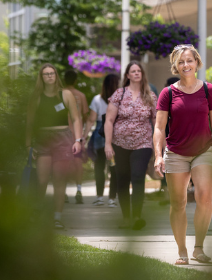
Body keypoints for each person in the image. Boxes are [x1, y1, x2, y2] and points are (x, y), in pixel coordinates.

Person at [153, 45, 212, 266]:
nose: (185, 65)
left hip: (204, 150)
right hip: (176, 152)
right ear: (176, 65)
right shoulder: (168, 93)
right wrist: (158, 155)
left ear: (197, 62)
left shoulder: (209, 90)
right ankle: (182, 250)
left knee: (204, 197)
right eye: (181, 62)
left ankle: (198, 248)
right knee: (178, 203)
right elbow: (159, 127)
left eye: (189, 60)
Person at [25, 63, 84, 230]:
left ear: (56, 76)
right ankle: (37, 214)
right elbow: (29, 122)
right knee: (42, 180)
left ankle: (57, 217)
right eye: (46, 74)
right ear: (41, 77)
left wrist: (77, 140)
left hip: (62, 139)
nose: (49, 76)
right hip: (42, 139)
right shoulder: (35, 97)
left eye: (52, 73)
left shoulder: (65, 94)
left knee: (59, 180)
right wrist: (28, 145)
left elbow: (76, 118)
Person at [104, 61, 157, 230]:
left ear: (142, 74)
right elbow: (109, 120)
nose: (136, 73)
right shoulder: (119, 94)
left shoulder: (150, 95)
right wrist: (108, 144)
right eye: (133, 71)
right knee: (122, 180)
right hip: (120, 144)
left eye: (139, 71)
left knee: (138, 177)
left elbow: (156, 121)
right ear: (127, 75)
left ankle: (137, 217)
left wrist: (158, 145)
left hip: (143, 143)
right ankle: (126, 217)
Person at [86, 73, 119, 207]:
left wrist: (83, 137)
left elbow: (91, 120)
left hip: (100, 135)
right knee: (113, 168)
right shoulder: (120, 99)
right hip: (116, 134)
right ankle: (112, 198)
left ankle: (99, 197)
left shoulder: (97, 99)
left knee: (99, 167)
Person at [63, 69, 89, 204]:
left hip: (62, 135)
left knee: (62, 164)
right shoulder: (81, 96)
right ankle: (79, 190)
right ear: (75, 81)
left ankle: (64, 192)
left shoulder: (59, 95)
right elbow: (85, 117)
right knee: (78, 163)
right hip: (76, 136)